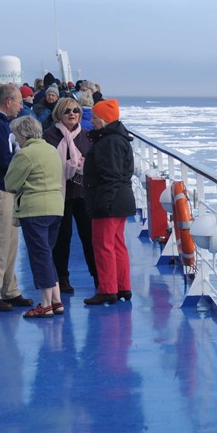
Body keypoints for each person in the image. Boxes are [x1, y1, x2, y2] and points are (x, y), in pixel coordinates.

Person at [4, 116, 64, 318]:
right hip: (56, 207)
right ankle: (56, 301)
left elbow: (10, 183)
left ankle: (45, 304)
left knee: (39, 257)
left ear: (22, 134)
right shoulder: (51, 149)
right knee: (47, 254)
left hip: (35, 210)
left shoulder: (25, 155)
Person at [83, 99, 135, 305]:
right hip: (120, 200)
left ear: (104, 120)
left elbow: (110, 176)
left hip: (109, 201)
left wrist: (102, 203)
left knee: (104, 245)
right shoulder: (117, 138)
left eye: (95, 118)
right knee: (117, 244)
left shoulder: (109, 142)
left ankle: (107, 289)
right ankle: (122, 286)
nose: (92, 121)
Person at [43, 97, 97, 294]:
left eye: (75, 110)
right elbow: (47, 165)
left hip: (84, 194)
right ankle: (62, 278)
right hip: (60, 193)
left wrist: (82, 166)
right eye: (67, 111)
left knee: (89, 237)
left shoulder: (87, 135)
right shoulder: (49, 136)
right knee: (62, 238)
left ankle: (97, 276)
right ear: (58, 114)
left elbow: (94, 163)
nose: (72, 114)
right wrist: (67, 166)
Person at [0, 84, 33, 312]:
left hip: (9, 190)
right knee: (0, 241)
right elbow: (3, 160)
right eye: (19, 101)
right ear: (8, 101)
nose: (20, 106)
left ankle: (9, 288)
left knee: (11, 241)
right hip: (1, 189)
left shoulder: (3, 124)